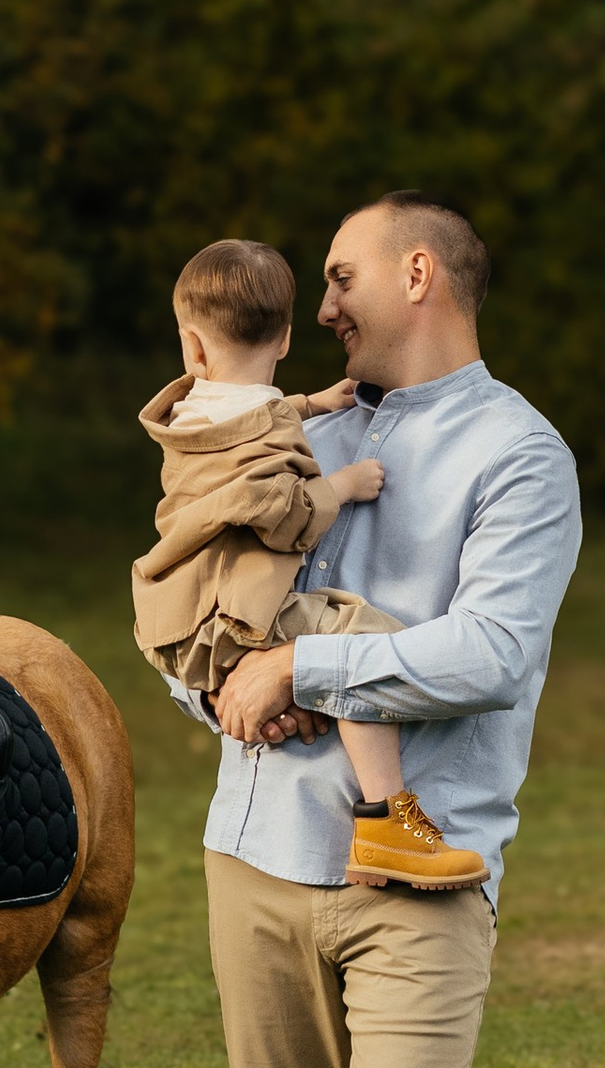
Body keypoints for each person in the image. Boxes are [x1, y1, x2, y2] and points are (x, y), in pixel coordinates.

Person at [191, 193, 581, 1068]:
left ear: (422, 273)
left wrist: (311, 676)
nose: (323, 303)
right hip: (255, 860)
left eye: (343, 277)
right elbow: (204, 589)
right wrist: (228, 687)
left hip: (416, 872)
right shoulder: (299, 428)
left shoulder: (519, 455)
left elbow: (486, 651)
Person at [130, 236, 482, 889]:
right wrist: (343, 486)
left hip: (178, 615)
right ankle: (385, 819)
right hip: (237, 612)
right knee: (360, 639)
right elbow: (283, 511)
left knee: (315, 672)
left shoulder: (193, 415)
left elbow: (255, 418)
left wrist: (314, 404)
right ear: (286, 338)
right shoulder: (261, 427)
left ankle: (295, 721)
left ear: (193, 347)